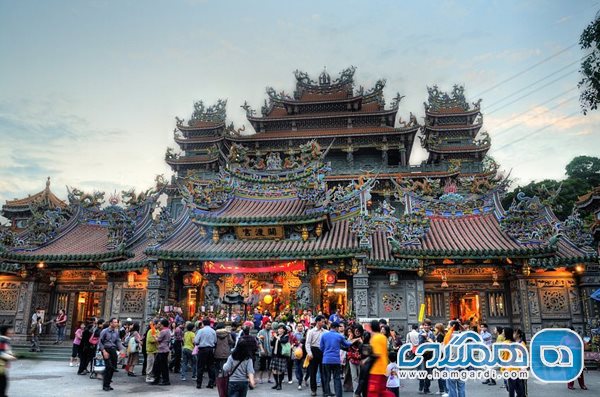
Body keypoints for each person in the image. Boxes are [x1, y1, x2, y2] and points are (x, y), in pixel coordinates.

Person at [320, 322, 353, 397]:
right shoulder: (339, 336)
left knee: (326, 378)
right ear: (335, 327)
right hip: (336, 360)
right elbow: (347, 344)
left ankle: (326, 394)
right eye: (338, 327)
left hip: (326, 360)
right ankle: (338, 395)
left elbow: (321, 347)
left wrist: (326, 352)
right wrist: (351, 340)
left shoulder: (324, 335)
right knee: (337, 378)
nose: (338, 328)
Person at [98, 318, 124, 392]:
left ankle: (108, 384)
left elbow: (118, 341)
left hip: (113, 350)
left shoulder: (116, 332)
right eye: (115, 322)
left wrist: (121, 349)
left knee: (113, 368)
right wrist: (103, 351)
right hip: (106, 349)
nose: (116, 324)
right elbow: (100, 342)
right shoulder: (104, 331)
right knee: (108, 367)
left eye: (117, 322)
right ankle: (105, 385)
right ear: (110, 323)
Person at [306, 315, 327, 397]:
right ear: (318, 322)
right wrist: (309, 353)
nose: (323, 323)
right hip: (313, 351)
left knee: (324, 372)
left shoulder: (325, 331)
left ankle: (325, 390)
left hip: (322, 352)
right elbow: (307, 343)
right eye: (322, 321)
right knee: (313, 372)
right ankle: (313, 390)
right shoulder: (311, 331)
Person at [367, 320, 389, 397]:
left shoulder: (375, 338)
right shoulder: (383, 337)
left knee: (373, 392)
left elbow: (377, 354)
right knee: (382, 392)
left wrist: (365, 360)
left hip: (376, 369)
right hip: (383, 368)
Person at [195, 318, 217, 389]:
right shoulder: (213, 331)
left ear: (203, 324)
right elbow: (215, 341)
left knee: (200, 366)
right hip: (210, 349)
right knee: (211, 366)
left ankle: (199, 383)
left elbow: (196, 341)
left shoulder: (201, 331)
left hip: (202, 349)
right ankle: (211, 383)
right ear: (210, 323)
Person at [445, 320, 465, 397]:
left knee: (452, 387)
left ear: (452, 326)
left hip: (452, 364)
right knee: (461, 387)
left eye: (448, 325)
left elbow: (445, 350)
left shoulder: (449, 336)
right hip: (462, 364)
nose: (447, 326)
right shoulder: (463, 335)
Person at [151, 318, 171, 386]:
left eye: (160, 324)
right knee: (162, 366)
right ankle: (162, 379)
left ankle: (162, 380)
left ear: (162, 325)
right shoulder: (168, 330)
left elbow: (158, 340)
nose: (159, 326)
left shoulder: (163, 331)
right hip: (165, 349)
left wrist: (154, 336)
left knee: (159, 366)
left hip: (162, 350)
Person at [270, 324, 290, 390]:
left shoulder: (286, 336)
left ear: (284, 330)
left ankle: (280, 385)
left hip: (281, 355)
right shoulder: (276, 336)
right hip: (274, 355)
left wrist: (277, 337)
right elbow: (272, 344)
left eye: (281, 328)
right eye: (278, 328)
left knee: (280, 371)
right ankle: (276, 383)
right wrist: (272, 338)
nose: (279, 330)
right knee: (274, 370)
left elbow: (283, 341)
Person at [418, 319, 434, 395]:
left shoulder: (432, 333)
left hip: (430, 355)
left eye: (427, 325)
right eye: (424, 325)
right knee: (422, 371)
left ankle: (426, 388)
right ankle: (421, 386)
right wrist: (427, 341)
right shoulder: (421, 333)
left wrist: (428, 339)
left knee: (429, 372)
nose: (426, 326)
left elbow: (434, 343)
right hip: (423, 355)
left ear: (430, 326)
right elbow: (420, 344)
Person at [346, 325, 363, 397]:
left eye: (358, 331)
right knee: (354, 377)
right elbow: (347, 343)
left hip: (361, 359)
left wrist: (361, 340)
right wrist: (356, 339)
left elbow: (365, 345)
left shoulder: (363, 336)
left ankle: (360, 391)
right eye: (356, 331)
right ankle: (356, 392)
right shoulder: (351, 336)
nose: (357, 332)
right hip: (352, 359)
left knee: (361, 376)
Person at [0, 325, 16, 397]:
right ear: (6, 332)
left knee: (3, 383)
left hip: (2, 367)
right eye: (10, 330)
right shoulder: (3, 340)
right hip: (0, 366)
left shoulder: (5, 340)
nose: (12, 331)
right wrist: (11, 357)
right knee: (3, 384)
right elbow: (1, 353)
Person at [433, 323, 447, 396]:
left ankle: (444, 390)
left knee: (441, 373)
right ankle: (442, 389)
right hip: (441, 356)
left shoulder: (440, 336)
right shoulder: (441, 335)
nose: (434, 329)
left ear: (439, 328)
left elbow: (437, 346)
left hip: (440, 356)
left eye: (436, 328)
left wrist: (430, 341)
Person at [145, 320, 159, 384]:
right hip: (150, 350)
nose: (159, 325)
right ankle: (148, 376)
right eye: (158, 324)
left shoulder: (157, 331)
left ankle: (152, 375)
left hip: (156, 350)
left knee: (154, 364)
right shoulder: (151, 331)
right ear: (155, 325)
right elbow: (150, 339)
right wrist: (157, 339)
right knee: (150, 364)